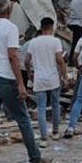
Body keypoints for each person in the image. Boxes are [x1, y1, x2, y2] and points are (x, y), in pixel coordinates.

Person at [0, 0, 49, 163]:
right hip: (5, 78)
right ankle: (35, 160)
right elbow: (12, 56)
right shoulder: (10, 28)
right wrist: (20, 83)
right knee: (23, 119)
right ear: (9, 10)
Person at [23, 17, 68, 146]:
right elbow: (60, 60)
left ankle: (43, 137)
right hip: (53, 78)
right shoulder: (55, 41)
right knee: (55, 105)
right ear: (52, 27)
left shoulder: (34, 42)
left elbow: (26, 61)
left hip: (39, 78)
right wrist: (64, 76)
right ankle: (55, 132)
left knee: (41, 108)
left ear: (41, 27)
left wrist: (29, 72)